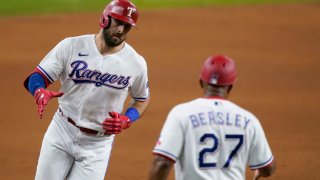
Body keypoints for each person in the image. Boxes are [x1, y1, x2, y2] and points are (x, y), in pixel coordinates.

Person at [23, 0, 150, 179]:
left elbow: (142, 99)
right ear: (105, 19)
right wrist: (38, 91)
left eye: (127, 26)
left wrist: (127, 119)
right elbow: (38, 76)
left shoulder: (136, 63)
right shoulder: (71, 46)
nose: (121, 30)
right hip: (61, 131)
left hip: (98, 144)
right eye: (118, 22)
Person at [148, 55, 276, 180]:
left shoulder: (181, 114)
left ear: (201, 82)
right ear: (231, 86)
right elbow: (268, 168)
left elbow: (162, 163)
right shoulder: (249, 120)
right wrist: (261, 171)